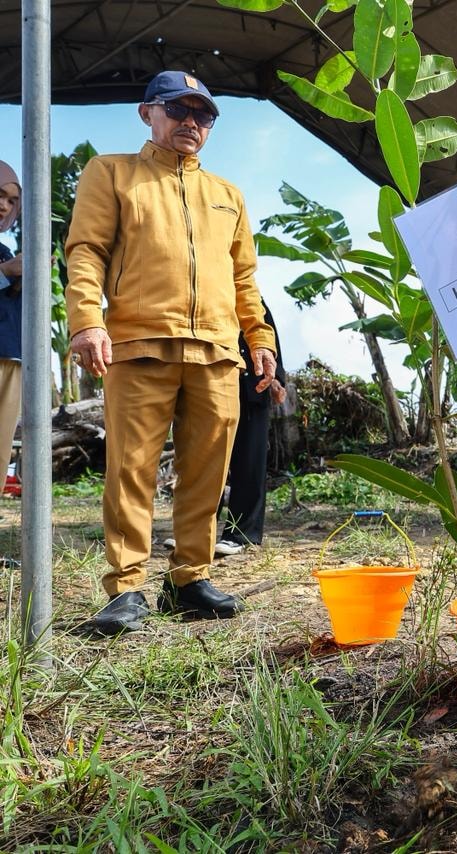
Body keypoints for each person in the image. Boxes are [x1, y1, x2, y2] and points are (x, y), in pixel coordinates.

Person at [65, 70, 277, 636]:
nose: (191, 122)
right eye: (177, 109)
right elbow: (86, 250)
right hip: (139, 343)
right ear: (147, 113)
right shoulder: (111, 173)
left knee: (207, 471)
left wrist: (259, 339)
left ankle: (189, 580)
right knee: (131, 469)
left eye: (202, 114)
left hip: (217, 351)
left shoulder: (227, 196)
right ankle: (126, 587)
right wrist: (87, 322)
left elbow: (244, 278)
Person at [216, 301, 288, 556]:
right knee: (204, 461)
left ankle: (241, 534)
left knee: (249, 461)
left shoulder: (252, 297)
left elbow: (269, 336)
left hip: (252, 387)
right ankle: (195, 532)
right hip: (212, 384)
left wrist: (277, 378)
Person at [0, 162, 21, 505]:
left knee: (2, 450)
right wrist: (6, 271)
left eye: (12, 201)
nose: (4, 206)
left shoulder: (4, 251)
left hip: (12, 359)